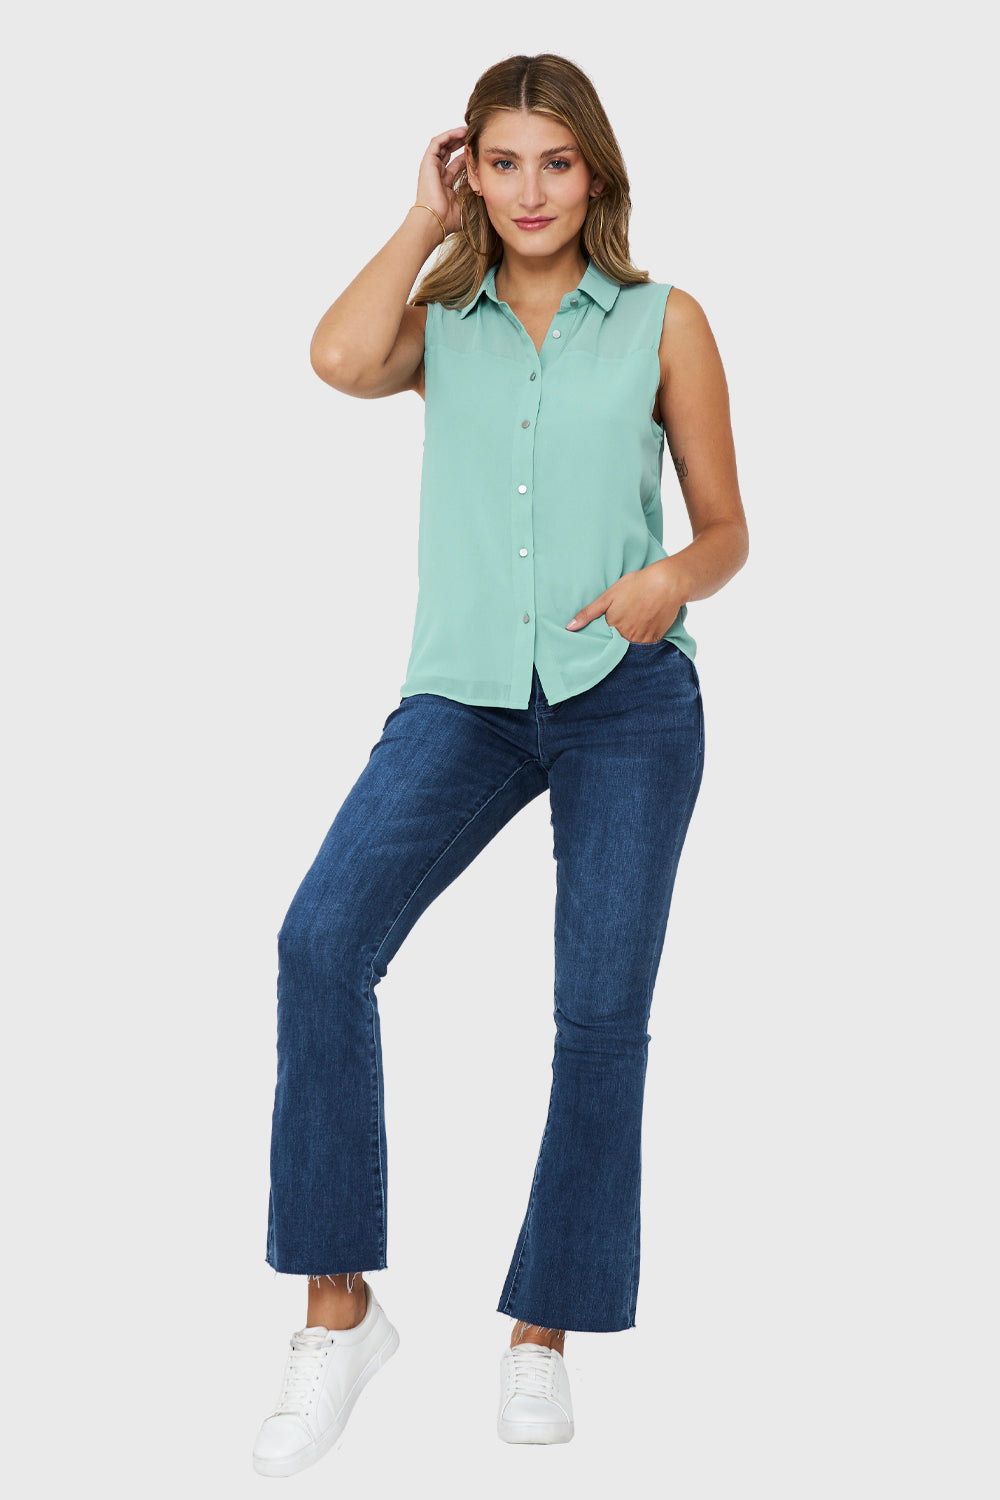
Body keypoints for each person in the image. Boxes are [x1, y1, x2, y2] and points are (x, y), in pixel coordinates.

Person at [252, 52, 748, 1475]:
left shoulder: (664, 320)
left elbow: (727, 529)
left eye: (557, 162)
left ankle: (545, 1331)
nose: (533, 192)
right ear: (475, 173)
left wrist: (670, 583)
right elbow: (335, 360)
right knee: (320, 943)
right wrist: (423, 219)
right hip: (464, 695)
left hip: (626, 695)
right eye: (505, 163)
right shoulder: (444, 319)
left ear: (597, 173)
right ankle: (340, 1313)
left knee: (599, 1015)